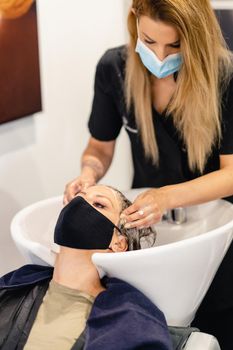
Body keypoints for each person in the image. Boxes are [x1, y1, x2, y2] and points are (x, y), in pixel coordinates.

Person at [63, 1, 233, 349]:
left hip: (217, 232)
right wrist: (88, 173)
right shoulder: (114, 69)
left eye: (174, 46)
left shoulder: (223, 77)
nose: (159, 54)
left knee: (218, 325)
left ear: (195, 39)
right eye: (149, 41)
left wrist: (167, 195)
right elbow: (99, 148)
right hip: (153, 235)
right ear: (134, 24)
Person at [0, 184, 173, 350]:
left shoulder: (130, 318)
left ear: (119, 243)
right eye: (77, 198)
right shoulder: (16, 283)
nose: (78, 205)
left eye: (99, 204)